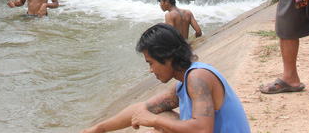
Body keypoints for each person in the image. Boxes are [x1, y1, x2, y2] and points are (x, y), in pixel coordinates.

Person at [79, 23, 250, 133]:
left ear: (168, 57)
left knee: (157, 126)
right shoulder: (185, 82)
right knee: (163, 118)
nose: (151, 70)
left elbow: (202, 129)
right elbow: (143, 108)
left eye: (151, 63)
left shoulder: (198, 77)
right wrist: (99, 128)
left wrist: (153, 120)